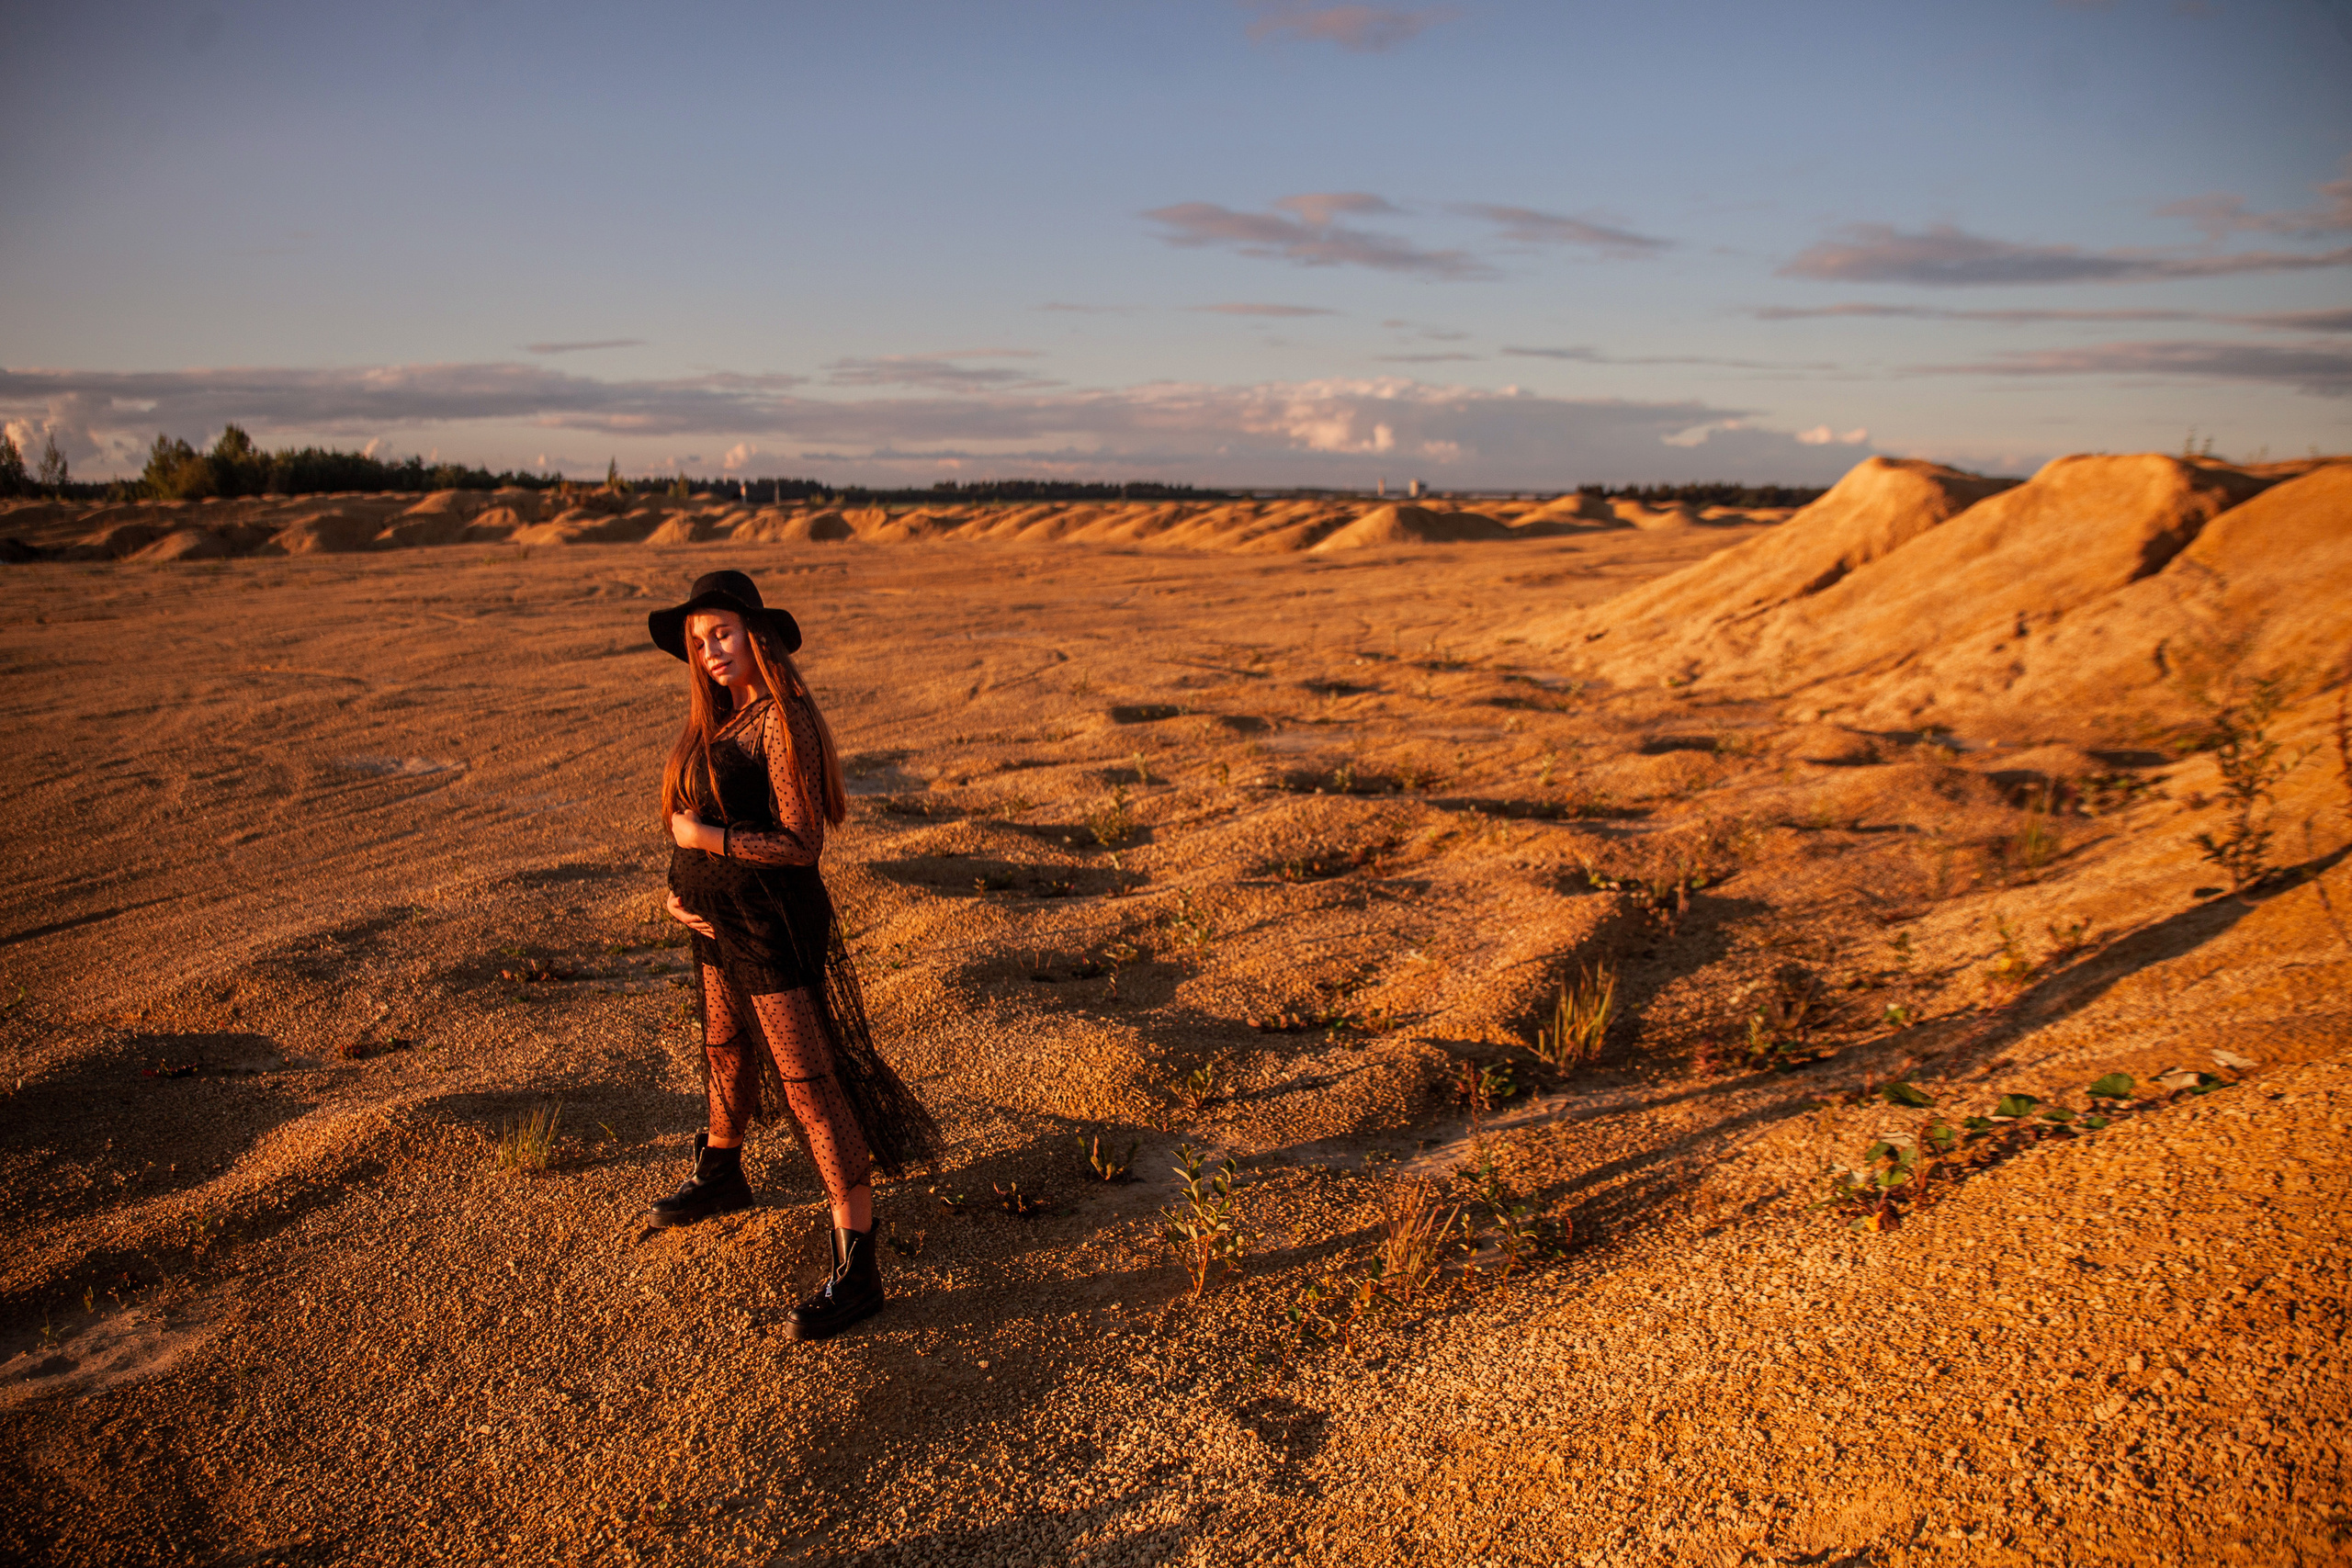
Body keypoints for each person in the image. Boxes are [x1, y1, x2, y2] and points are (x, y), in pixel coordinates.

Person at [646, 570, 940, 1341]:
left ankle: (859, 1267)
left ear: (758, 634)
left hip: (773, 921)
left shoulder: (785, 719)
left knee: (808, 1080)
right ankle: (721, 1172)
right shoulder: (721, 718)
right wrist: (683, 890)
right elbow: (702, 815)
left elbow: (801, 841)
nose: (710, 651)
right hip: (717, 917)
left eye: (723, 634)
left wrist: (703, 843)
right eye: (699, 640)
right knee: (724, 1045)